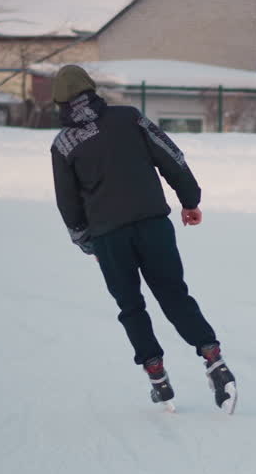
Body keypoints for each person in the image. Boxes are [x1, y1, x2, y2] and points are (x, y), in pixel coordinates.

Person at [49, 65, 237, 413]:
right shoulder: (128, 118)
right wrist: (190, 199)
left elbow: (68, 202)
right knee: (174, 295)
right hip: (153, 224)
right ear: (91, 90)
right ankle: (215, 361)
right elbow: (170, 155)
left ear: (59, 102)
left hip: (108, 236)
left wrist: (85, 240)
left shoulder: (62, 145)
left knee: (131, 307)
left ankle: (158, 379)